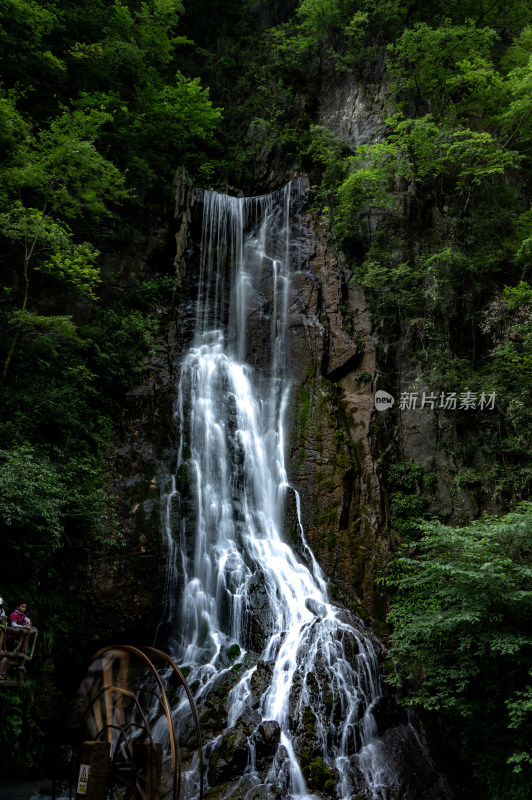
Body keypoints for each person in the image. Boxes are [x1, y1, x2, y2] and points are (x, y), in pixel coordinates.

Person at [0, 601, 31, 680]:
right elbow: (13, 625)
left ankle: (2, 674)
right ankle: (0, 673)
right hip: (9, 637)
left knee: (10, 657)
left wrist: (28, 621)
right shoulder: (14, 614)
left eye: (24, 607)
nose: (23, 608)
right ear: (17, 607)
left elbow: (26, 618)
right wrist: (24, 626)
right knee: (7, 656)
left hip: (14, 638)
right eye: (22, 607)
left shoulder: (21, 614)